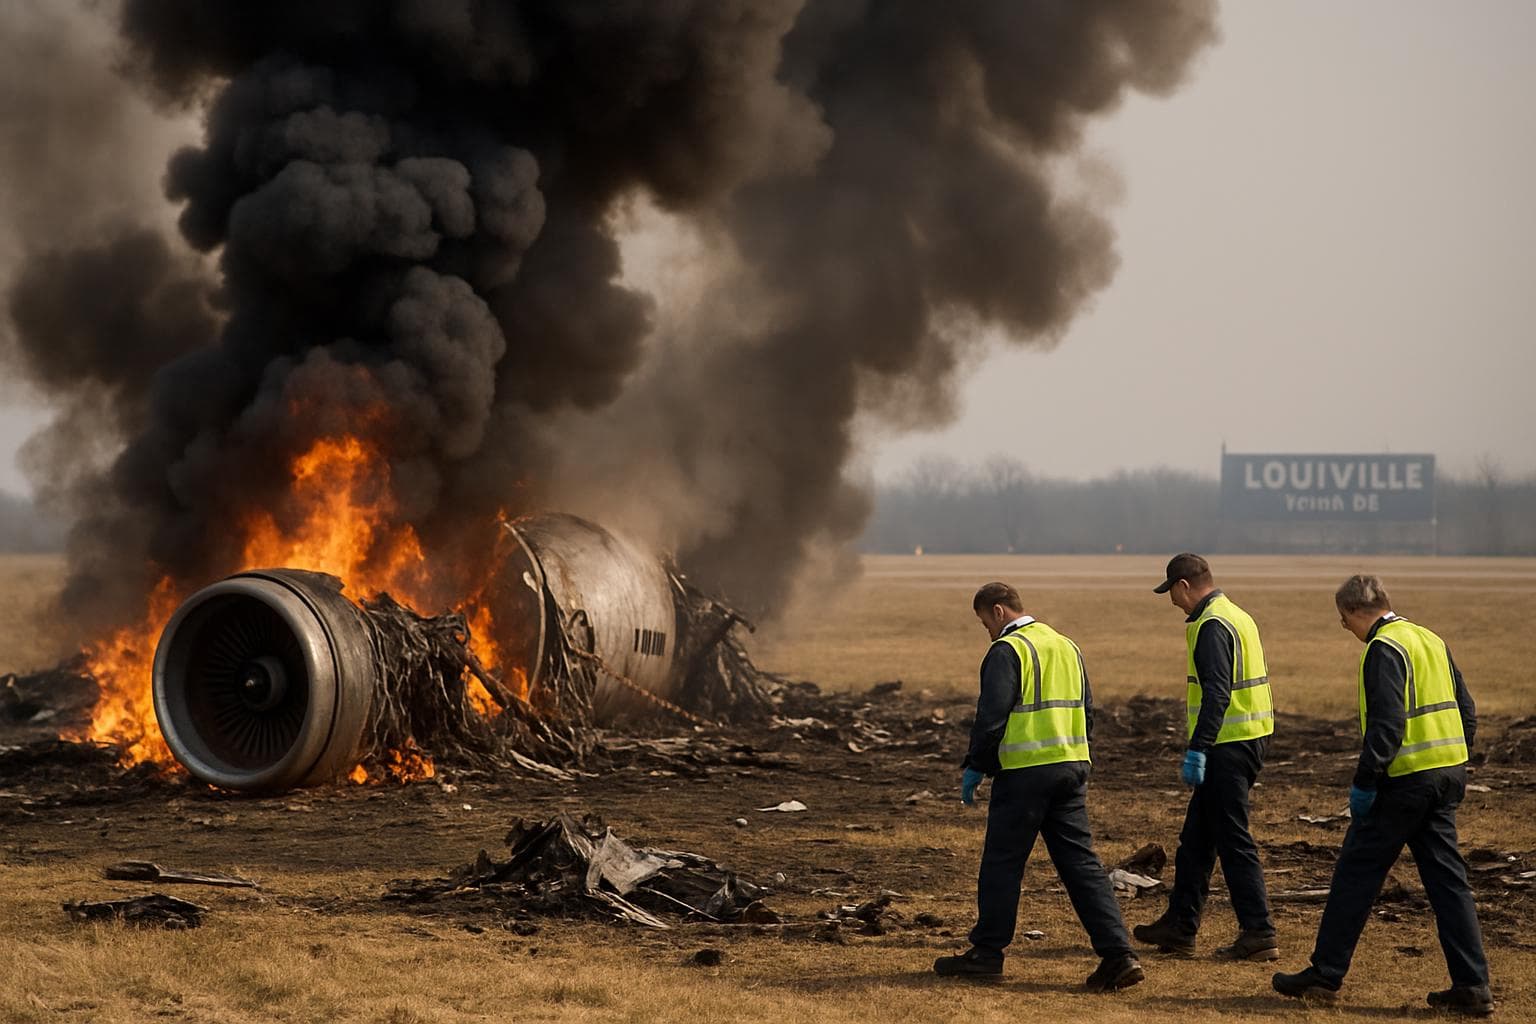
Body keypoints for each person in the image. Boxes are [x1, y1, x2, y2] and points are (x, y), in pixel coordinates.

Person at [1272, 574, 1492, 1015]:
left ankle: (1326, 973)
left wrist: (1366, 781)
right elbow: (1466, 710)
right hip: (1446, 778)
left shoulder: (1384, 648)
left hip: (1403, 783)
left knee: (1355, 875)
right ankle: (1473, 986)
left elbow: (1386, 725)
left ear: (1354, 611)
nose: (1346, 629)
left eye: (1342, 620)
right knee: (1449, 886)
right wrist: (1452, 758)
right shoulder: (1429, 638)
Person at [933, 581, 1143, 991]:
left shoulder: (1007, 651)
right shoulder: (1067, 646)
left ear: (997, 612)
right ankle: (1119, 956)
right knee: (1082, 866)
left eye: (984, 623)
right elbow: (1087, 710)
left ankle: (987, 954)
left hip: (1026, 773)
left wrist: (977, 764)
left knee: (1002, 863)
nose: (988, 632)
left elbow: (990, 716)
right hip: (1071, 767)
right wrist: (1080, 756)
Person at [1133, 553, 1278, 960]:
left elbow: (1217, 692)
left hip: (1227, 746)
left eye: (1172, 594)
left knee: (1232, 840)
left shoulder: (1211, 625)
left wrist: (1199, 748)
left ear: (1183, 586)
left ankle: (1259, 932)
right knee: (1196, 841)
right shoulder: (1237, 614)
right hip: (1247, 737)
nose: (1174, 603)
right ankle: (1180, 926)